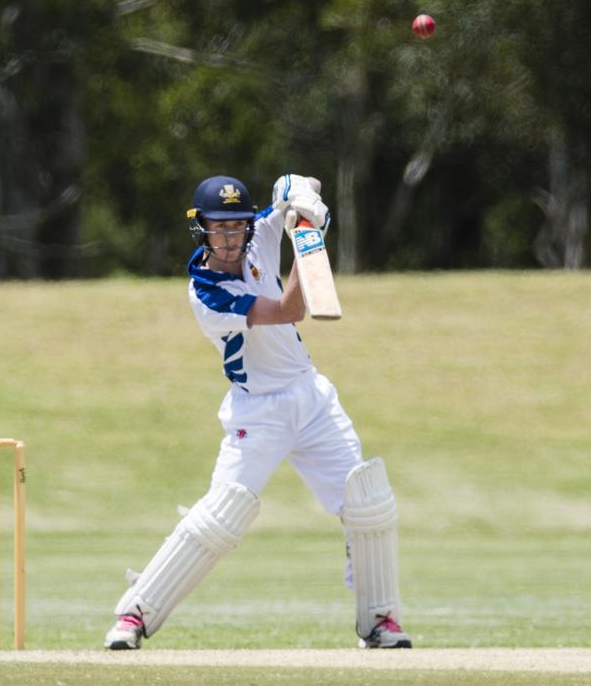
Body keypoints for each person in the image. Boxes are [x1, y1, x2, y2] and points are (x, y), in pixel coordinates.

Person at [103, 174, 410, 650]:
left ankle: (381, 621)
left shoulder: (260, 235)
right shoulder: (206, 291)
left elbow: (302, 182)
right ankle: (135, 615)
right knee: (219, 517)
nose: (229, 238)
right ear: (200, 228)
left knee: (366, 503)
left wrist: (303, 203)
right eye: (218, 228)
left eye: (237, 227)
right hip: (257, 412)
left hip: (312, 398)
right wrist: (310, 246)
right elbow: (290, 309)